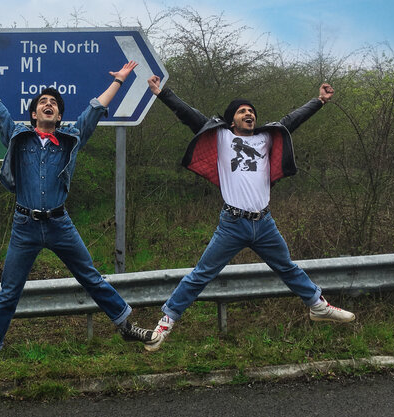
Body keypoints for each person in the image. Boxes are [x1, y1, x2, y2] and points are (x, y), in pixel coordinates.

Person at [0, 52, 159, 392]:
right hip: (24, 226)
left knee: (92, 278)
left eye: (54, 103)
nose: (48, 105)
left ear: (59, 114)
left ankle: (125, 325)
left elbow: (94, 111)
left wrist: (119, 80)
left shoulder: (70, 138)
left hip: (59, 223)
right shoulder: (18, 136)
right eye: (43, 103)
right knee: (9, 293)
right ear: (34, 113)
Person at [144, 76, 355, 352]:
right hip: (232, 224)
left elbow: (292, 120)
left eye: (251, 111)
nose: (249, 114)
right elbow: (190, 116)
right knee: (201, 275)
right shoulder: (222, 136)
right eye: (243, 111)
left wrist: (319, 102)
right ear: (232, 120)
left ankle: (318, 306)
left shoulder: (266, 138)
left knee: (287, 267)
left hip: (264, 223)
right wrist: (163, 93)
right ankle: (166, 322)